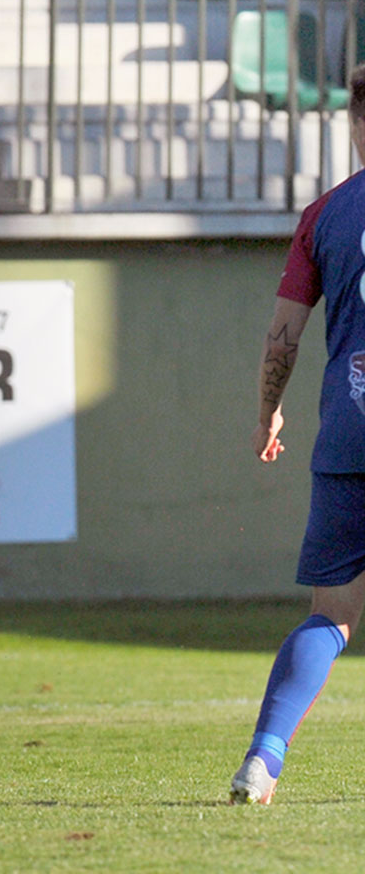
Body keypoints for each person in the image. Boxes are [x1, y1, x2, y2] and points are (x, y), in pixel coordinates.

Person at [230, 64, 365, 804]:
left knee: (332, 615)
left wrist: (267, 413)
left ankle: (263, 758)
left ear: (353, 123)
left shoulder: (325, 215)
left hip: (350, 431)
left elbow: (284, 334)